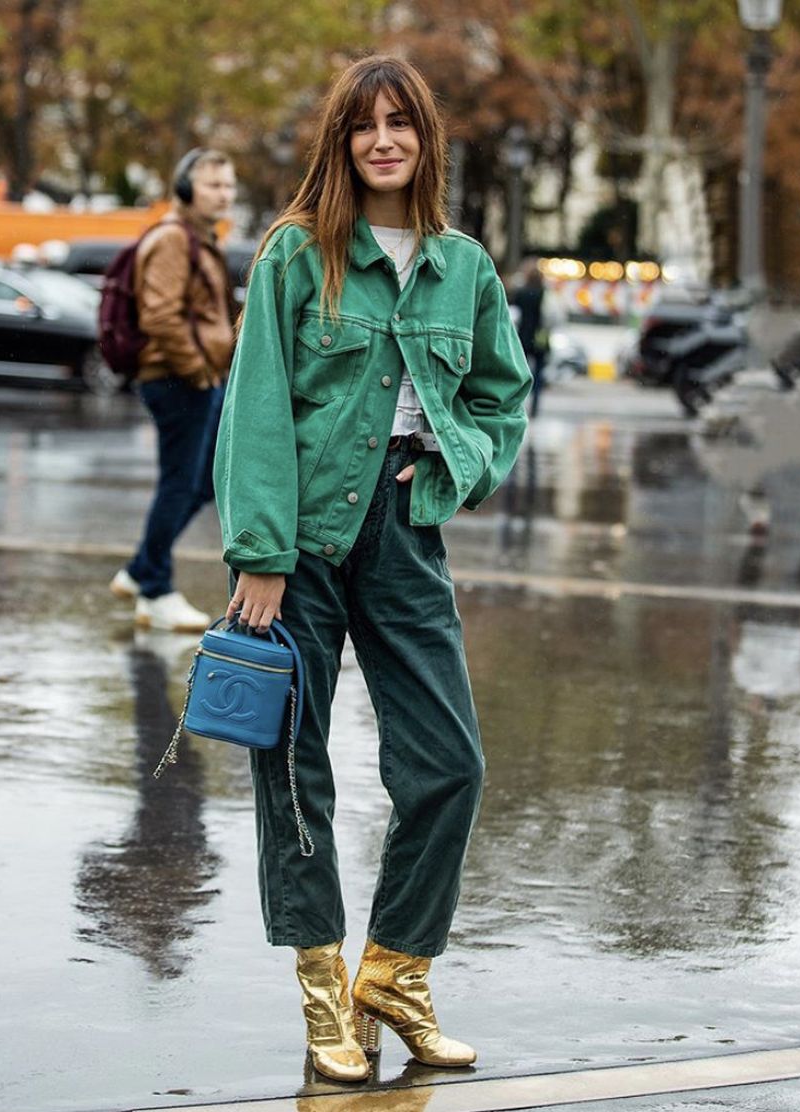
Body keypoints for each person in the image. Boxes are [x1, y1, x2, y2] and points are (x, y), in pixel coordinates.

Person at [215, 56, 531, 1081]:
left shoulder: (464, 267)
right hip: (300, 541)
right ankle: (321, 990)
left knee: (450, 763)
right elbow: (256, 406)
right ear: (343, 141)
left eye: (402, 123)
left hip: (403, 530)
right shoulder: (296, 256)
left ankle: (394, 968)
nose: (385, 139)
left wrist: (455, 468)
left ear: (425, 141)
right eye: (366, 125)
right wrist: (259, 553)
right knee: (294, 764)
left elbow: (501, 394)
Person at [110, 148, 239, 630]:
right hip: (177, 378)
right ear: (185, 189)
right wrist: (201, 372)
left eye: (228, 186)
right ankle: (156, 586)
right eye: (212, 185)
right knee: (180, 482)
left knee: (203, 481)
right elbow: (160, 315)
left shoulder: (200, 239)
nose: (223, 195)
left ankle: (142, 572)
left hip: (195, 377)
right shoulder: (171, 240)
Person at [509, 257, 549, 417]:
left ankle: (518, 406)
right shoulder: (544, 293)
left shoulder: (521, 293)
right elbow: (549, 317)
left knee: (520, 375)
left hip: (523, 338)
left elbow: (514, 314)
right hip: (540, 338)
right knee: (538, 375)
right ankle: (535, 407)